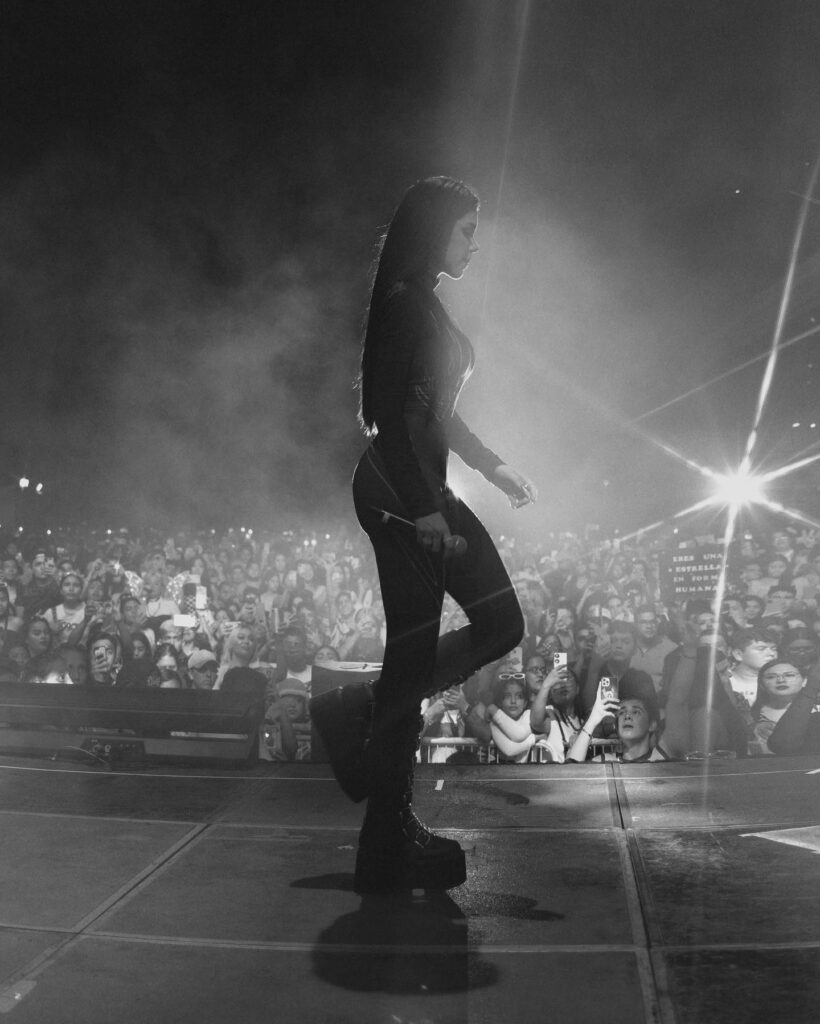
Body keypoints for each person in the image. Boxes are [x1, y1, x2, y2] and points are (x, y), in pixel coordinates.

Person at [310, 176, 534, 894]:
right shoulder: (406, 304)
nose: (475, 244)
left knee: (498, 622)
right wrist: (424, 507)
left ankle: (360, 714)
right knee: (419, 658)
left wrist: (491, 465)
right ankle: (388, 838)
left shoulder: (424, 303)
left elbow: (436, 413)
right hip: (401, 494)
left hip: (420, 491)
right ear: (435, 230)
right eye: (467, 230)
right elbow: (385, 414)